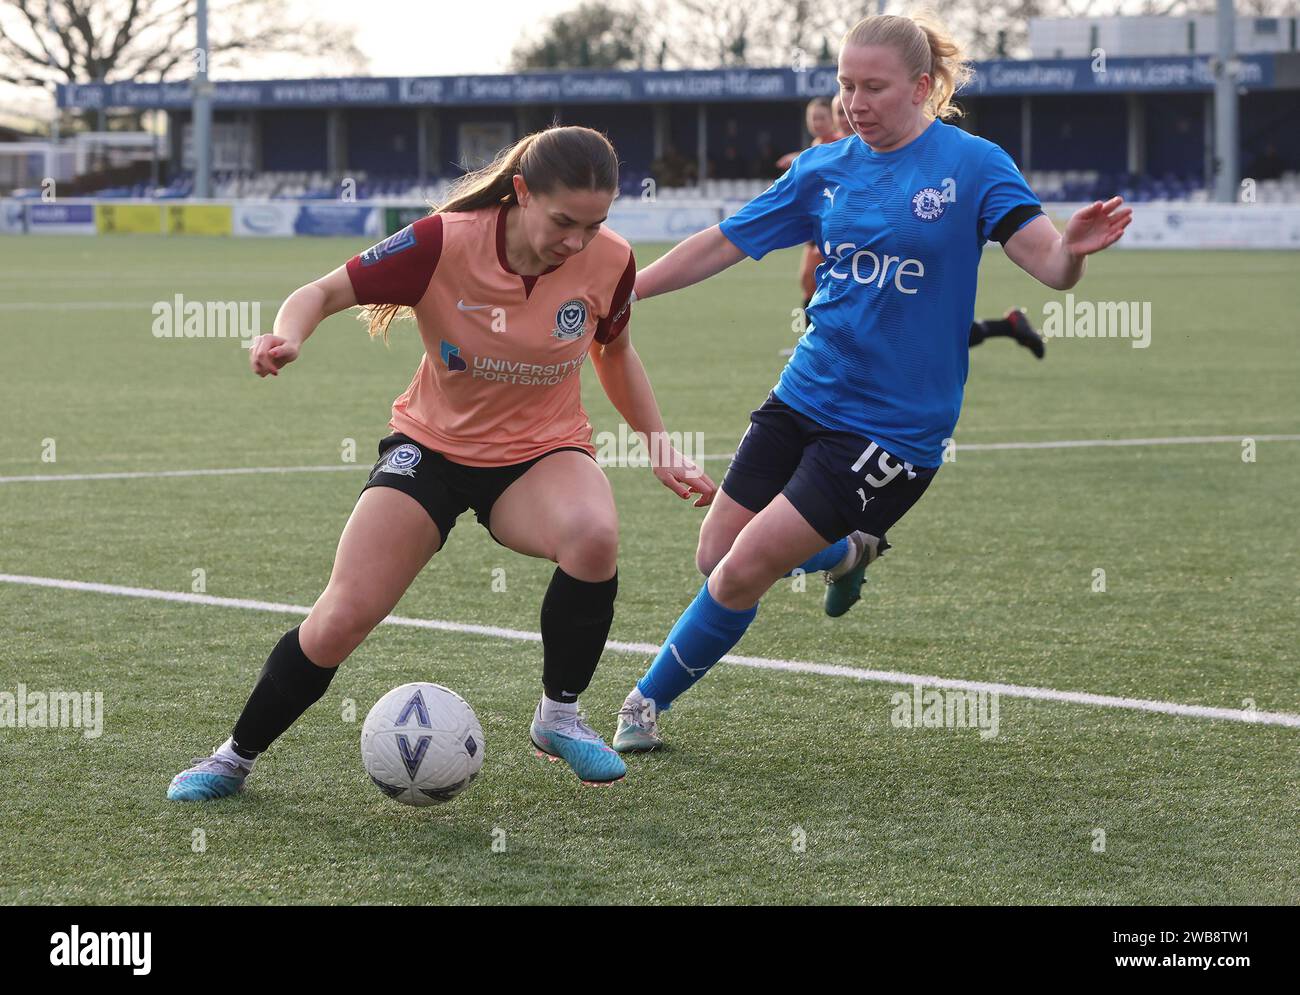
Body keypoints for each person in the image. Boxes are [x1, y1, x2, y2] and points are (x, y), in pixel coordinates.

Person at [612, 13, 1130, 752]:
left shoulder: (974, 165)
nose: (854, 100)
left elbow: (1049, 263)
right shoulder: (823, 168)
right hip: (806, 392)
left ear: (921, 87)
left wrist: (1074, 253)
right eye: (845, 83)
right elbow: (723, 242)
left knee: (743, 570)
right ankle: (850, 552)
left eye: (873, 86)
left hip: (892, 427)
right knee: (714, 554)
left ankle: (641, 705)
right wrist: (628, 291)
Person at [166, 126, 715, 799]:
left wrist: (660, 445)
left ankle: (559, 717)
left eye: (594, 223)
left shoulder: (611, 260)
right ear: (521, 193)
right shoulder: (442, 240)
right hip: (430, 450)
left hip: (540, 452)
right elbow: (321, 292)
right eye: (563, 221)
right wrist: (287, 335)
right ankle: (233, 757)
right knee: (343, 615)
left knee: (594, 533)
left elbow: (615, 351)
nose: (577, 242)